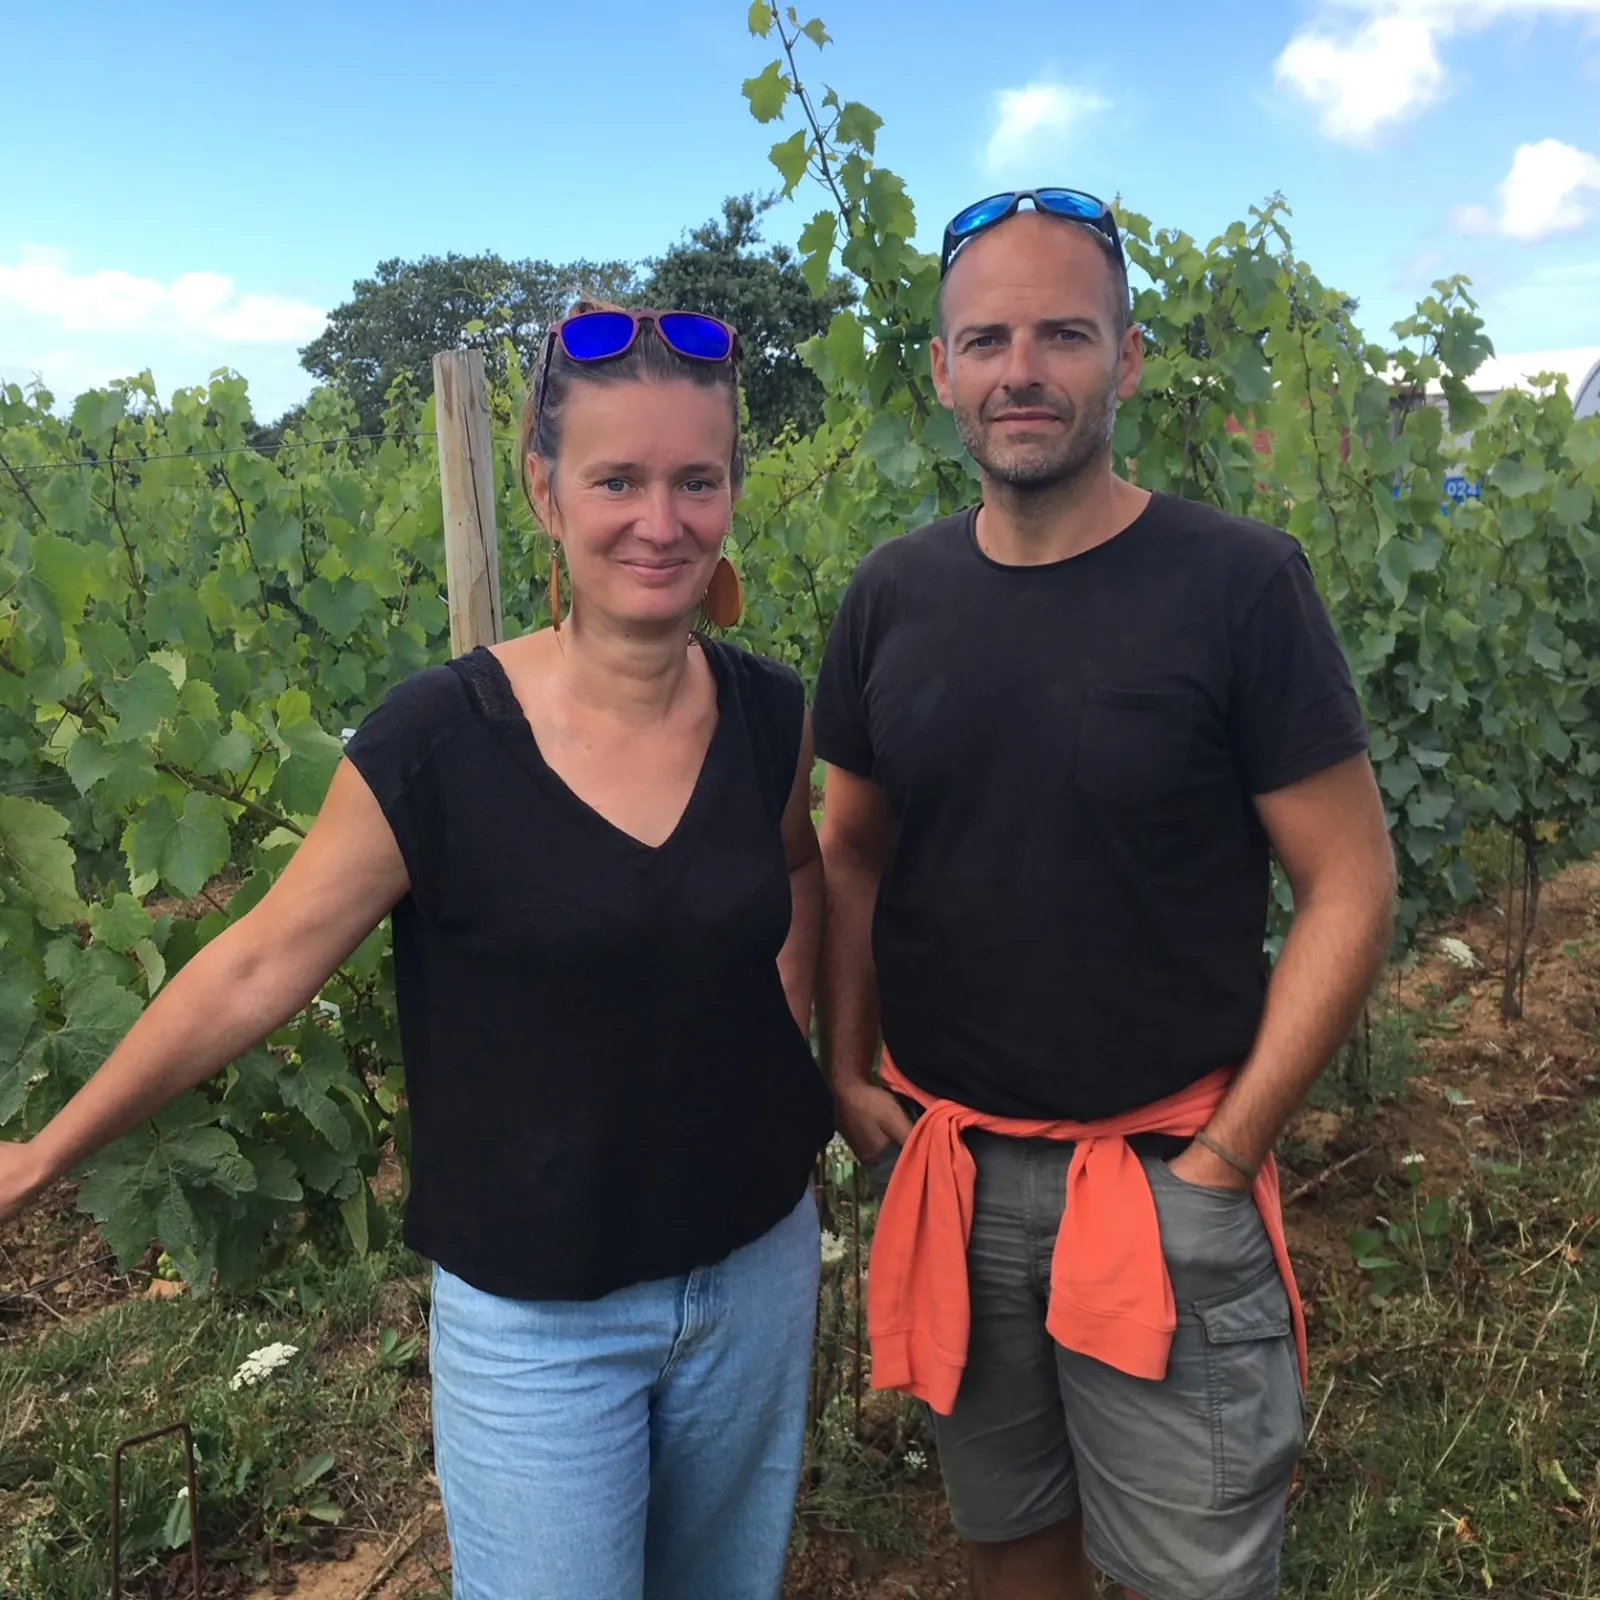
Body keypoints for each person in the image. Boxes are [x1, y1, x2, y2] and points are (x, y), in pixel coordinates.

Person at [0, 301, 834, 1600]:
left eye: (696, 480)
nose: (661, 521)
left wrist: (810, 1061)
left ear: (732, 490)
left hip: (758, 1281)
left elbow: (795, 868)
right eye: (619, 480)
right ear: (546, 493)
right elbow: (258, 964)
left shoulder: (772, 714)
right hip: (542, 1322)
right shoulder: (438, 743)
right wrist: (51, 1150)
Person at [815, 190, 1397, 1600]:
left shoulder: (1239, 587)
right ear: (945, 370)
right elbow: (851, 851)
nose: (1024, 369)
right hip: (952, 1172)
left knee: (1192, 1572)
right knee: (1010, 1540)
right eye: (988, 338)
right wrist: (844, 1067)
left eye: (1064, 333)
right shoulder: (892, 597)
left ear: (1127, 360)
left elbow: (1350, 879)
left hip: (1160, 1178)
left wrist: (1228, 1157)